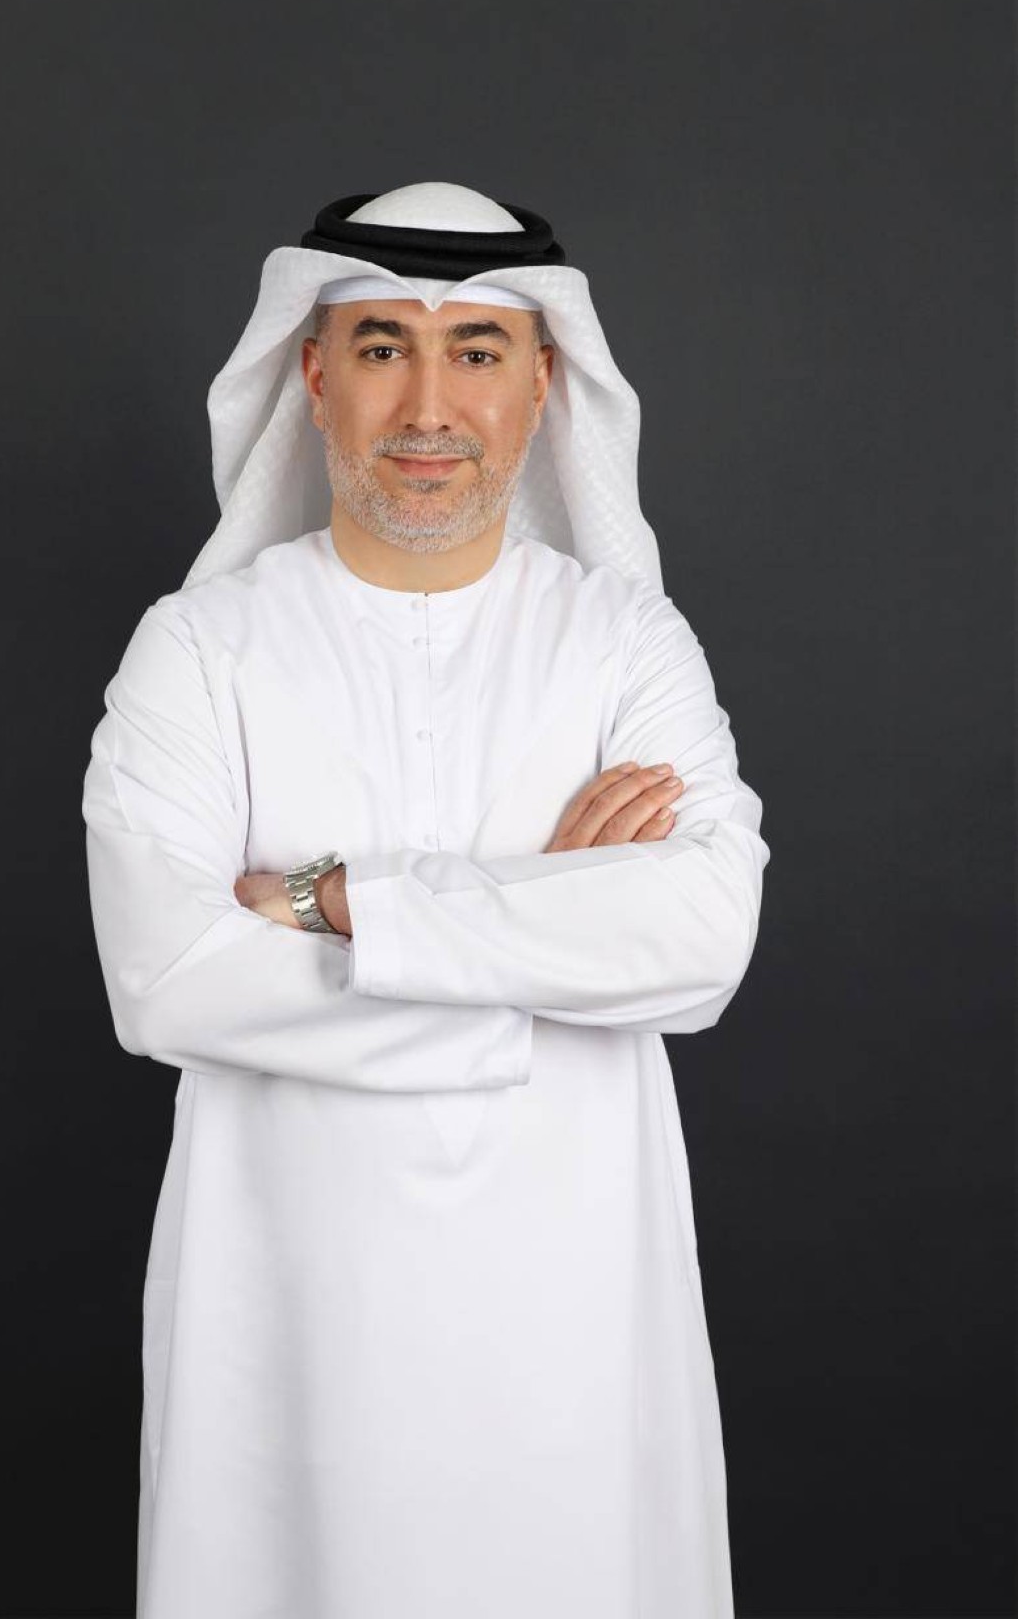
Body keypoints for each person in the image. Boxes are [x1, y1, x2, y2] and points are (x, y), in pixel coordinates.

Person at [81, 181, 770, 1619]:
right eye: (384, 346)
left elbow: (703, 941)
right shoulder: (198, 648)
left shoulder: (626, 640)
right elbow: (166, 980)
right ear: (314, 374)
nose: (429, 407)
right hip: (292, 1314)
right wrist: (544, 951)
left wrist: (334, 900)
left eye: (477, 352)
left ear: (544, 383)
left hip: (574, 1315)